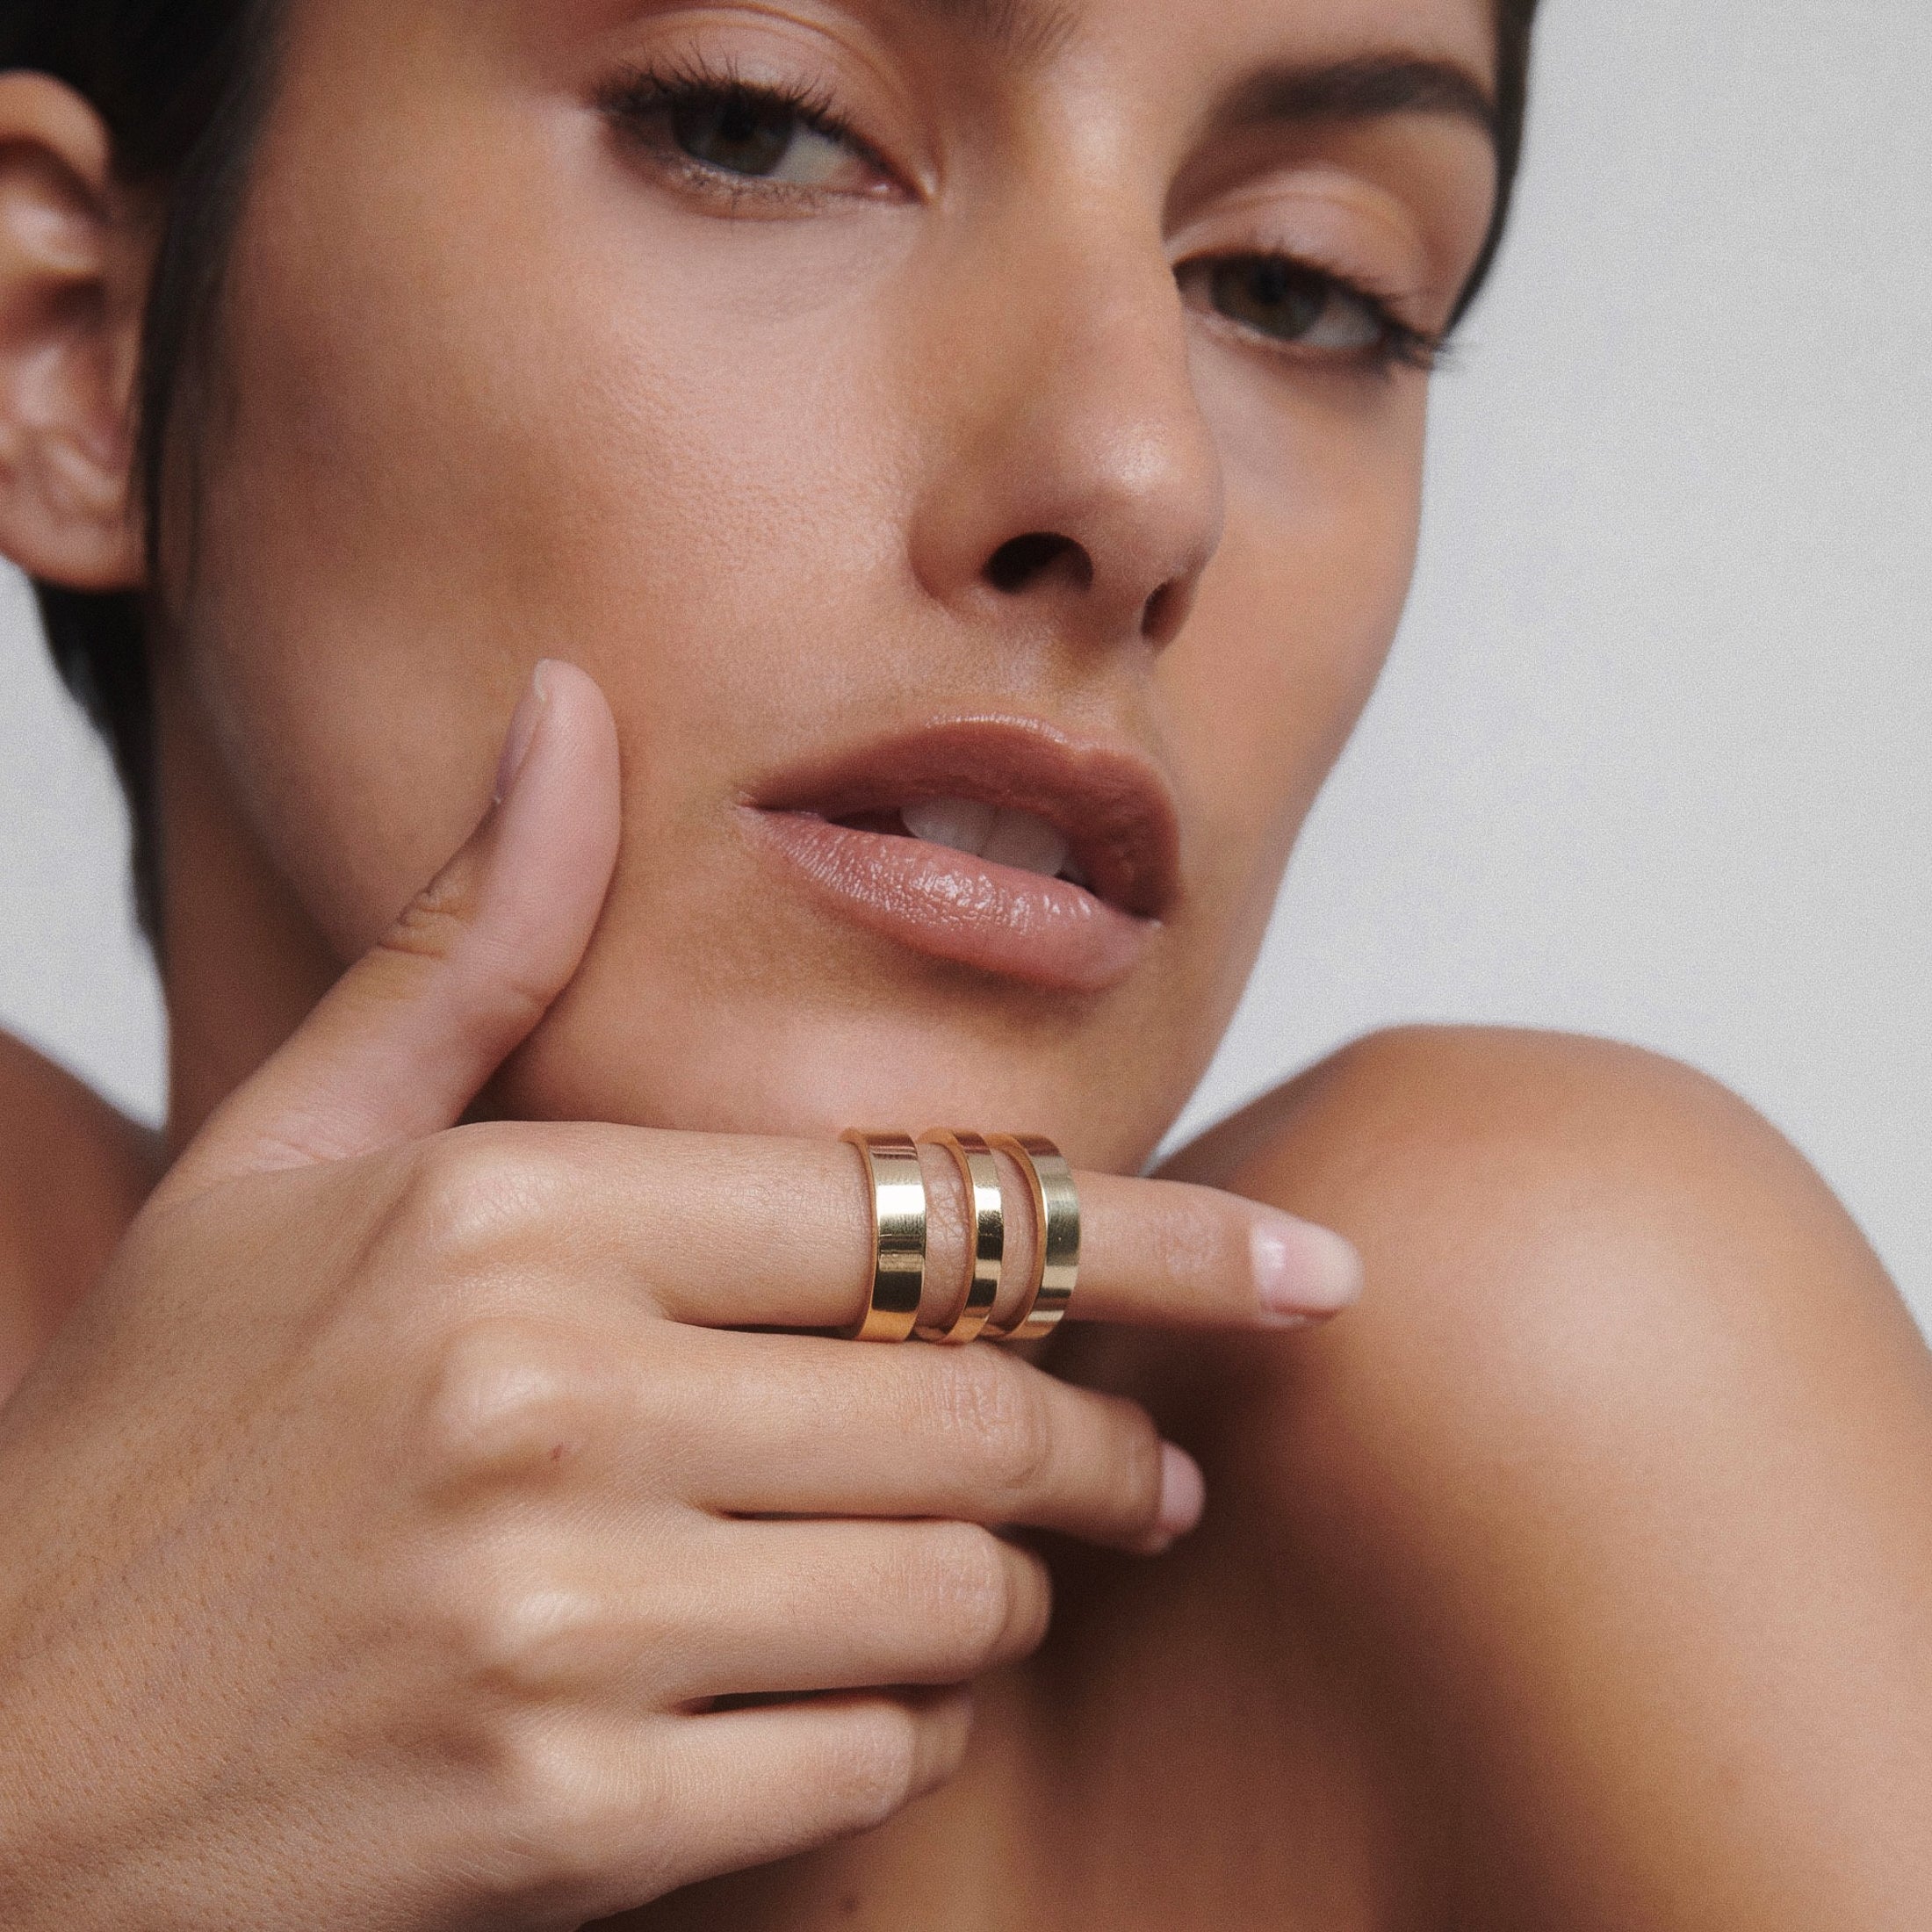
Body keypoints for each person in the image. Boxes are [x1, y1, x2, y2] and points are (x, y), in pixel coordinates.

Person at [0, 0, 1927, 1925]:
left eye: (1293, 283)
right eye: (755, 127)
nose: (1138, 473)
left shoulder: (1537, 1394)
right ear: (70, 348)